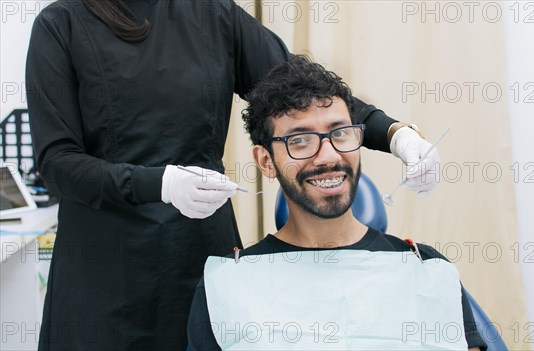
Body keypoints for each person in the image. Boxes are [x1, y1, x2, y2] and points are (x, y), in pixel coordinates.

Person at [25, 0, 440, 349]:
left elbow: (305, 93)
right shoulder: (61, 25)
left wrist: (394, 133)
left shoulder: (211, 14)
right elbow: (58, 162)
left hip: (198, 250)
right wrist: (159, 183)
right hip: (103, 269)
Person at [187, 56, 486, 350]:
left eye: (340, 133)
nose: (329, 156)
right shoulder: (228, 286)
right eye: (300, 140)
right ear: (266, 161)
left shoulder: (426, 269)